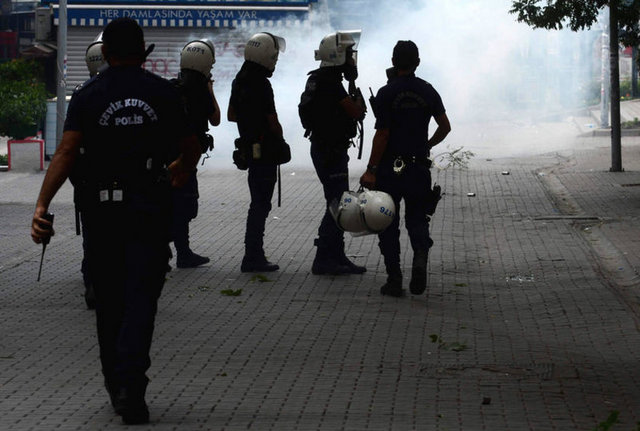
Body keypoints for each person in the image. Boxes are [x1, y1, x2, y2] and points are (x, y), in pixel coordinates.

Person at [30, 18, 201, 424]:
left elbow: (66, 152)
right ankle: (131, 386)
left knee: (109, 303)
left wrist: (41, 205)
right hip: (150, 213)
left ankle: (117, 384)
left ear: (105, 53)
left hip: (103, 215)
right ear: (143, 52)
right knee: (142, 299)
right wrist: (181, 169)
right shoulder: (164, 93)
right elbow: (192, 145)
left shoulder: (88, 95)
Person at [359, 40, 451, 297]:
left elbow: (382, 135)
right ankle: (420, 256)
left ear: (393, 62)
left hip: (390, 169)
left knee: (387, 221)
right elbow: (445, 126)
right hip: (418, 167)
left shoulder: (386, 93)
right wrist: (427, 145)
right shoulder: (428, 90)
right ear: (417, 63)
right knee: (417, 218)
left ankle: (394, 279)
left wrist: (371, 169)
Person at [299, 30, 367, 275]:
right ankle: (323, 258)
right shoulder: (331, 83)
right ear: (337, 56)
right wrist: (358, 101)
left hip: (324, 148)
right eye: (348, 55)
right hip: (330, 151)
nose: (351, 60)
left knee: (338, 201)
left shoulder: (319, 78)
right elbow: (355, 112)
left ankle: (337, 255)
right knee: (338, 204)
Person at [228, 32, 287, 273]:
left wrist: (248, 122)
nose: (275, 62)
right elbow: (273, 122)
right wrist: (280, 141)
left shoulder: (239, 80)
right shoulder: (262, 84)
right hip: (265, 152)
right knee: (261, 204)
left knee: (257, 202)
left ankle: (253, 254)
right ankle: (253, 255)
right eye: (274, 58)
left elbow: (232, 115)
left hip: (249, 150)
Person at [170, 39, 221, 268]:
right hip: (188, 155)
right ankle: (183, 253)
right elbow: (216, 119)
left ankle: (172, 251)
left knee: (173, 202)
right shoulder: (200, 89)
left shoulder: (173, 86)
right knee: (186, 204)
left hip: (169, 154)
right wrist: (210, 89)